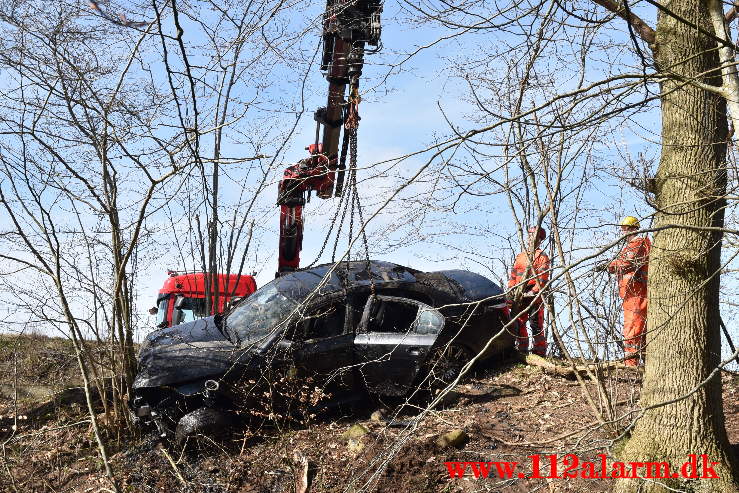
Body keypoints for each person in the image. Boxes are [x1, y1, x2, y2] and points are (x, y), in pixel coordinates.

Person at [598, 216, 651, 366]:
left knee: (632, 328)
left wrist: (611, 265)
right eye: (622, 229)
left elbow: (628, 262)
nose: (623, 232)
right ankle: (639, 363)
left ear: (633, 229)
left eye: (625, 229)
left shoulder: (639, 243)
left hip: (636, 292)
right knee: (635, 328)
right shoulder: (631, 246)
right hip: (630, 293)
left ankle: (631, 364)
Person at [508, 227, 550, 356]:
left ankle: (540, 351)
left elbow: (543, 277)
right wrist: (511, 289)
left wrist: (534, 291)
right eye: (529, 236)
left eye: (534, 236)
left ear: (539, 240)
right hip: (520, 292)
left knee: (536, 323)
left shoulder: (542, 256)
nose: (530, 239)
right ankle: (522, 348)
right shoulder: (521, 256)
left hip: (534, 295)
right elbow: (514, 274)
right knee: (518, 321)